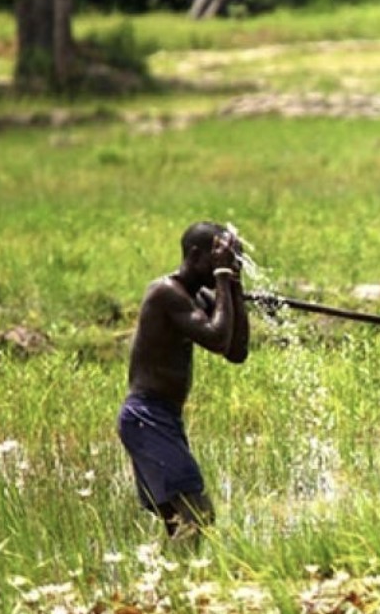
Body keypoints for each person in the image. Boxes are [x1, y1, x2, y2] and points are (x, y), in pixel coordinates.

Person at [118, 221, 250, 543]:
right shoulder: (166, 293)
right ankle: (182, 587)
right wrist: (221, 280)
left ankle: (168, 586)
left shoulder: (198, 297)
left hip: (164, 417)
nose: (224, 265)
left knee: (181, 523)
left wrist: (234, 287)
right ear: (194, 254)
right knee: (197, 515)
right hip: (147, 416)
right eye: (217, 258)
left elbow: (236, 351)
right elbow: (217, 338)